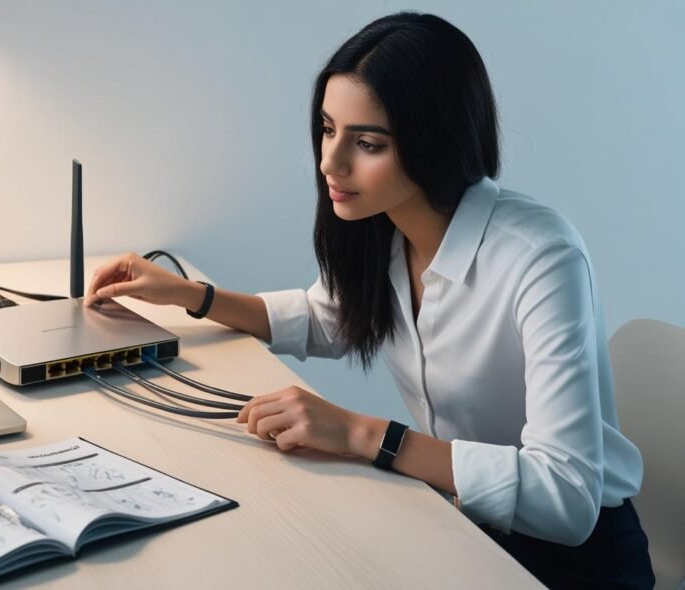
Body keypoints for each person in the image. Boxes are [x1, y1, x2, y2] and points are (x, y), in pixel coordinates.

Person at [84, 12, 654, 589]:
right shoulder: (385, 228)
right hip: (464, 520)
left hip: (577, 562)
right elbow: (324, 319)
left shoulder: (540, 257)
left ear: (435, 140)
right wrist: (188, 295)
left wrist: (364, 436)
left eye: (368, 143)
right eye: (329, 130)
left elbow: (567, 497)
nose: (331, 161)